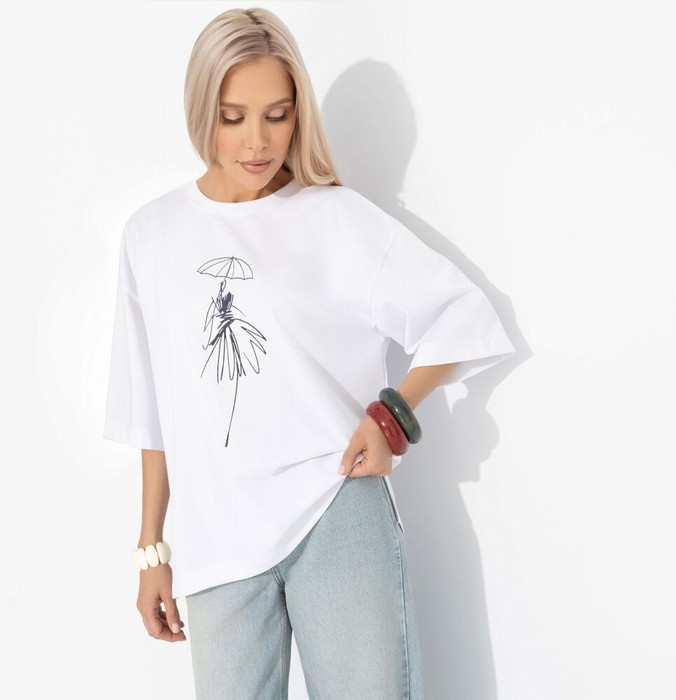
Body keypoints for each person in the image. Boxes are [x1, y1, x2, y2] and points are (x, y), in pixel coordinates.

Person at [102, 7, 516, 699]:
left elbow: (460, 315)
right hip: (218, 537)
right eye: (233, 117)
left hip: (336, 510)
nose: (257, 140)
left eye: (278, 114)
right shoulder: (151, 235)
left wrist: (391, 417)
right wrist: (152, 550)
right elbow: (153, 409)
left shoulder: (334, 218)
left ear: (299, 113)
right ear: (201, 110)